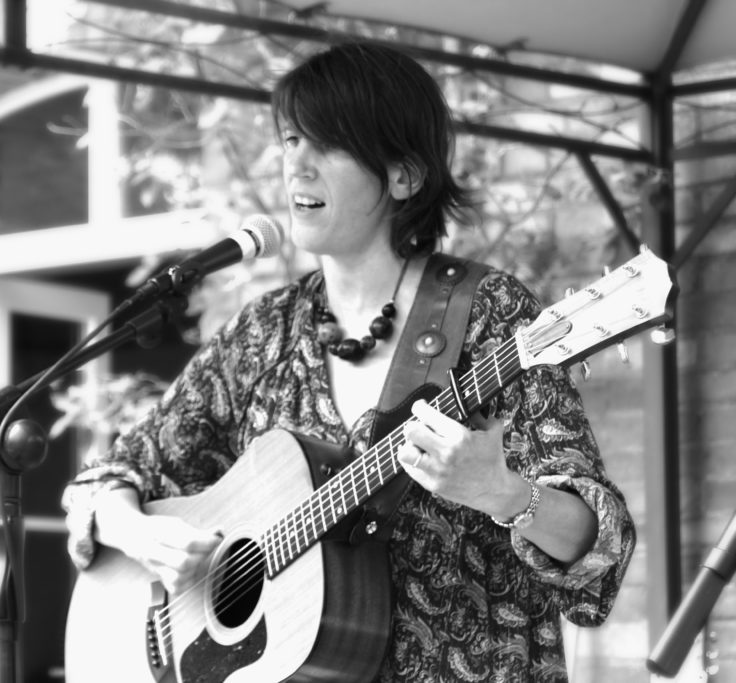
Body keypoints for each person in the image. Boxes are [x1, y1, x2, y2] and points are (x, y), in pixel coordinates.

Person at [61, 41, 635, 682]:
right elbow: (117, 471)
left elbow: (600, 547)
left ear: (404, 175)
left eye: (325, 144)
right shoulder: (265, 334)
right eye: (289, 141)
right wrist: (136, 532)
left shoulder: (488, 314)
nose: (296, 165)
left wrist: (504, 494)